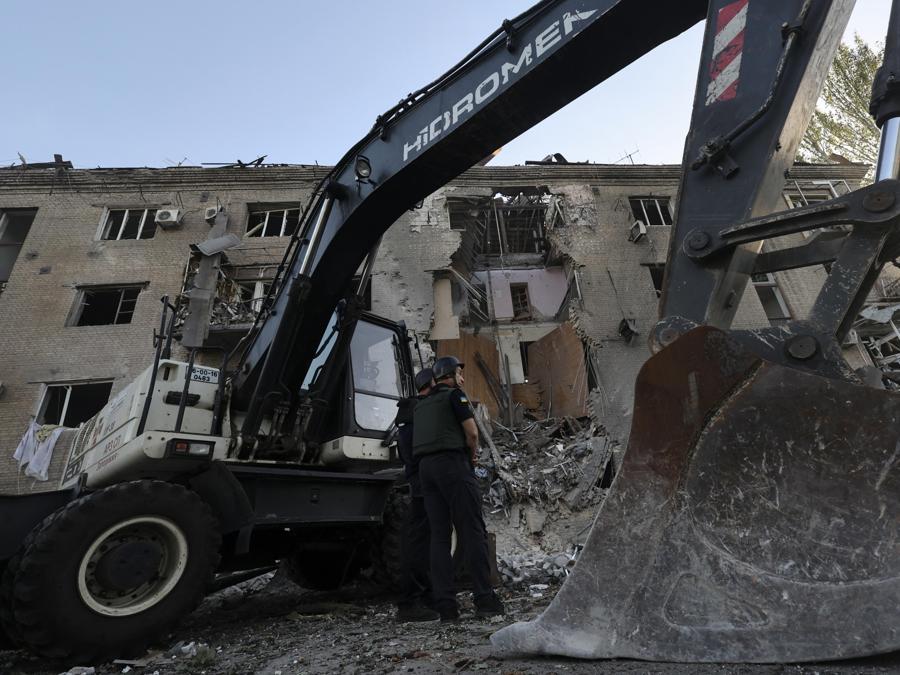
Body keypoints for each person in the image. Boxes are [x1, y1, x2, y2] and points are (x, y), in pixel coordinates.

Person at [412, 356, 504, 622]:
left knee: (440, 537)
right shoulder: (455, 396)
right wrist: (472, 456)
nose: (462, 379)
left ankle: (446, 607)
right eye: (460, 374)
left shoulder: (421, 405)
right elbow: (472, 433)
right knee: (472, 530)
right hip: (452, 465)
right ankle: (485, 600)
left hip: (426, 470)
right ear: (450, 375)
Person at [394, 367, 440, 622]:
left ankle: (425, 598)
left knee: (423, 541)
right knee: (419, 544)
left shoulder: (408, 414)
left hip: (420, 483)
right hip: (423, 485)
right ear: (431, 384)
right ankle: (410, 602)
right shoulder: (418, 414)